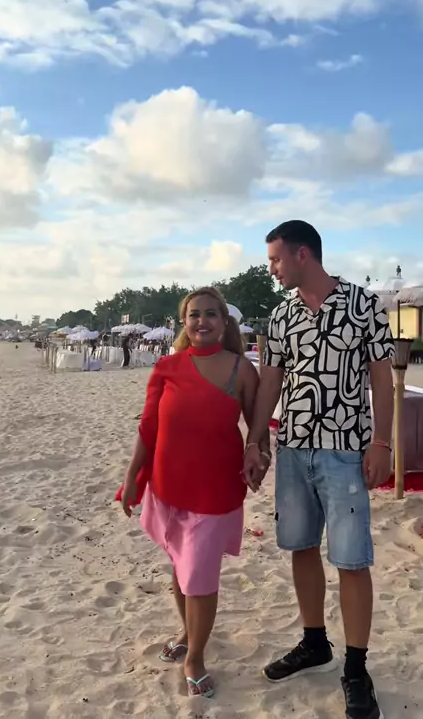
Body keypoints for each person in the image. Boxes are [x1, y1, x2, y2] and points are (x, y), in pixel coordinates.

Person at [244, 220, 394, 719]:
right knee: (301, 546)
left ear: (302, 254)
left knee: (352, 559)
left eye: (275, 259)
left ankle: (356, 667)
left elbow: (382, 379)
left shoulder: (362, 304)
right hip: (293, 449)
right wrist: (256, 441)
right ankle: (314, 642)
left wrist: (382, 442)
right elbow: (271, 381)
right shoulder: (280, 315)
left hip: (346, 450)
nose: (272, 269)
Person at [119, 288, 259, 698]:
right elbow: (148, 427)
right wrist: (132, 477)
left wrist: (259, 455)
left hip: (215, 489)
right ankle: (187, 631)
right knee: (181, 567)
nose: (202, 321)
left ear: (225, 322)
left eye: (211, 314)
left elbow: (257, 429)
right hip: (168, 487)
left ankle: (195, 656)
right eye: (194, 314)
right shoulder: (166, 367)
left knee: (199, 576)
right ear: (184, 322)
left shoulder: (241, 370)